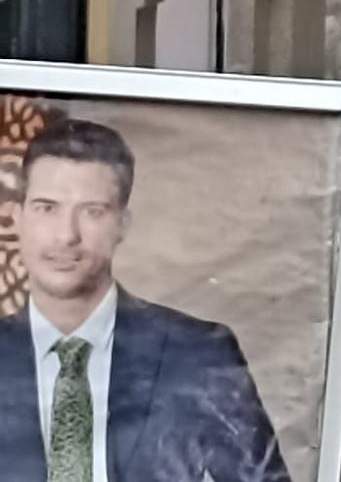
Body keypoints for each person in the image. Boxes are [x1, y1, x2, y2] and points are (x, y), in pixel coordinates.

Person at [0, 119, 291, 481]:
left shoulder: (198, 353)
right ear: (16, 219)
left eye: (92, 212)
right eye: (47, 208)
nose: (66, 235)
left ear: (122, 225)